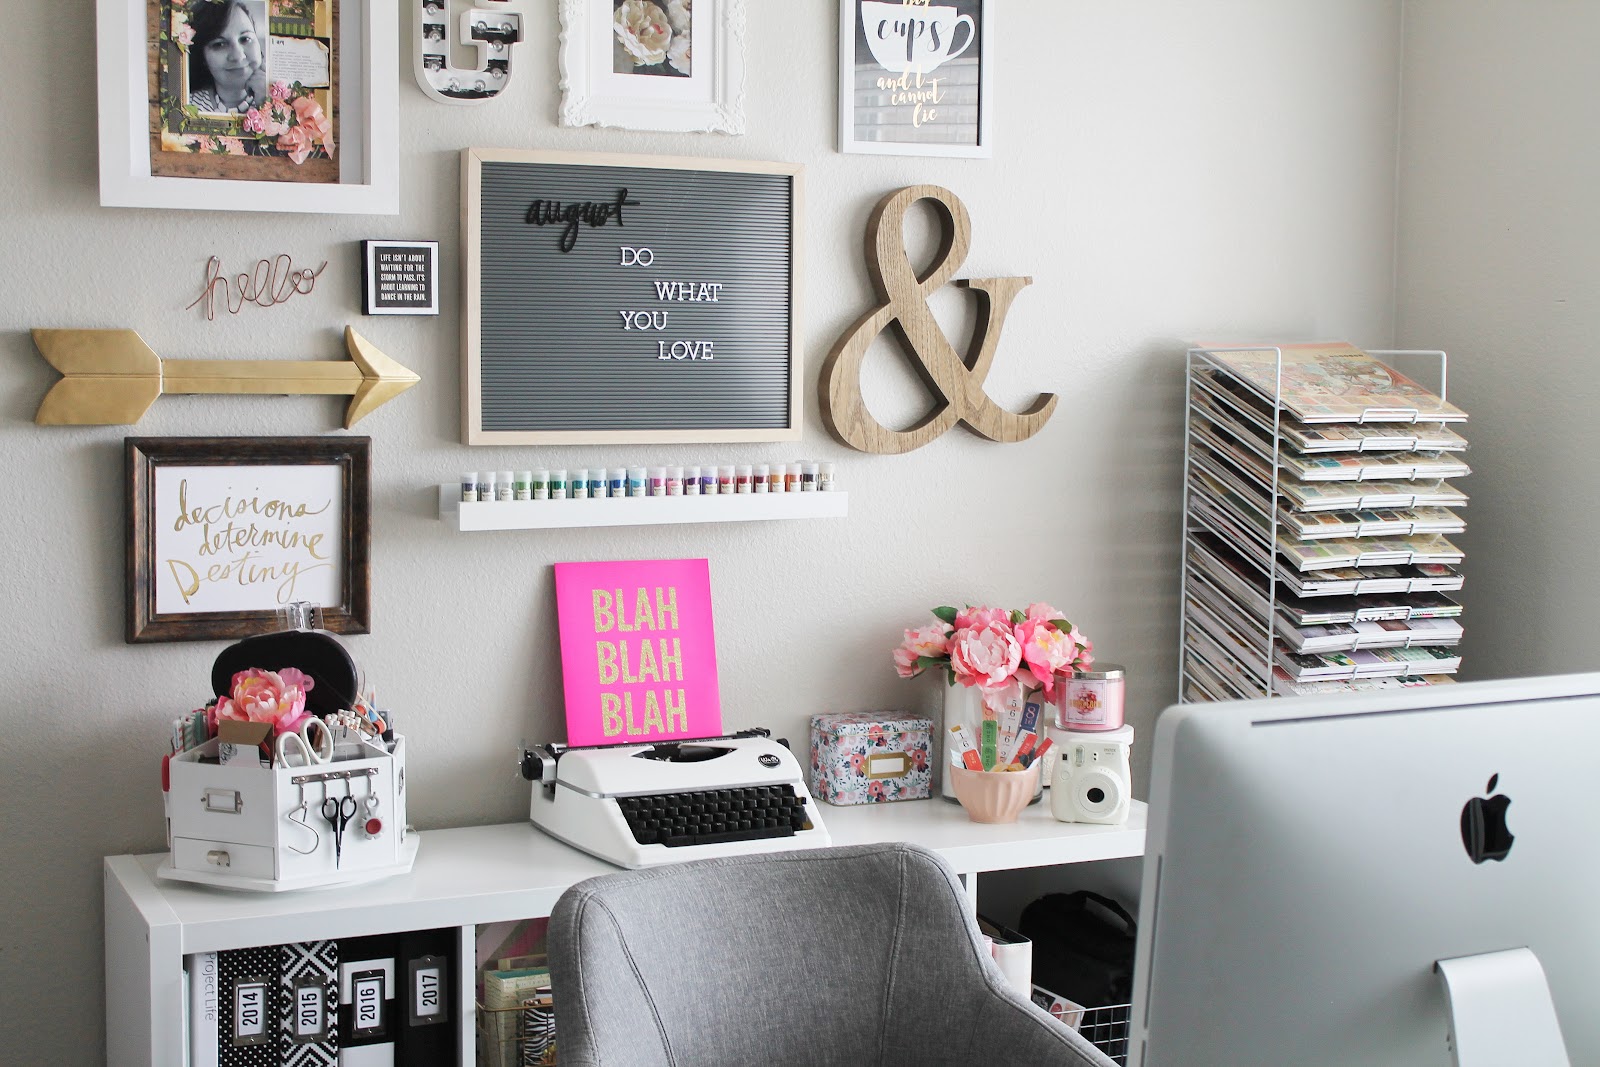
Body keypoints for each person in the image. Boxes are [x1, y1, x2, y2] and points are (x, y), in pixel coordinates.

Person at [186, 1, 267, 114]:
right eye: (219, 44)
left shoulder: (286, 102)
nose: (238, 56)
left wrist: (267, 104)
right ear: (203, 56)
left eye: (245, 39)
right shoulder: (187, 106)